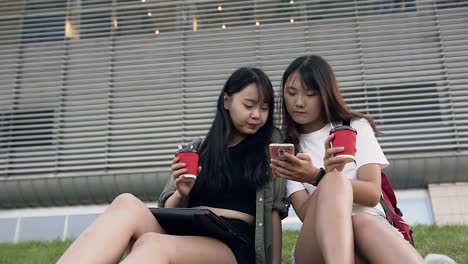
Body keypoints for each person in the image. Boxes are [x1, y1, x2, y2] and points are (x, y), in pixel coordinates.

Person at [57, 67, 288, 264]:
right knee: (125, 203)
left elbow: (274, 211)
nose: (257, 115)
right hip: (186, 232)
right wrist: (181, 192)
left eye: (264, 108)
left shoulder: (270, 147)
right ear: (227, 102)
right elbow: (167, 205)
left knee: (154, 244)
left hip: (232, 245)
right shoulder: (198, 148)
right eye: (249, 105)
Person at [270, 55, 424, 264]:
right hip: (315, 244)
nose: (299, 102)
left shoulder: (354, 128)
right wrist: (325, 179)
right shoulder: (289, 148)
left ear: (325, 94)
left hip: (370, 226)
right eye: (291, 92)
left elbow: (371, 193)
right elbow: (306, 214)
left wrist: (318, 176)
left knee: (359, 219)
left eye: (310, 94)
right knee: (333, 181)